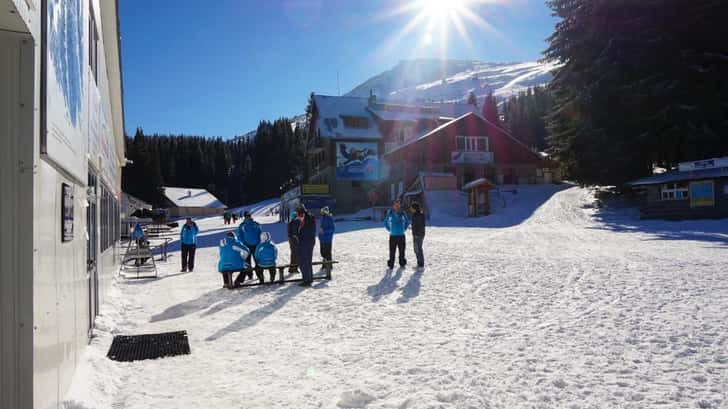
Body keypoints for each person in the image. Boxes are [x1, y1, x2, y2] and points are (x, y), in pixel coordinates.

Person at [294, 205, 316, 287]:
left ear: (303, 214)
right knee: (306, 261)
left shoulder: (308, 220)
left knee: (304, 261)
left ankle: (307, 280)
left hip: (306, 243)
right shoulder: (307, 219)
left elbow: (307, 233)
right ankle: (308, 278)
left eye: (299, 216)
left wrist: (298, 236)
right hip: (306, 243)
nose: (299, 218)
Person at [384, 199, 410, 269]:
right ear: (393, 206)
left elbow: (407, 222)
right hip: (393, 236)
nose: (397, 206)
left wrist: (403, 229)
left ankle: (402, 263)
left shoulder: (403, 213)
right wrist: (389, 229)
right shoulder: (390, 213)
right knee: (392, 251)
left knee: (402, 251)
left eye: (398, 204)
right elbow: (385, 222)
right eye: (395, 205)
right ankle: (391, 264)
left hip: (401, 236)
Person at [409, 202, 426, 268]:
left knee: (418, 249)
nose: (410, 209)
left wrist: (416, 233)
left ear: (414, 208)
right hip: (418, 234)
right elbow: (417, 225)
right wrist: (412, 227)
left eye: (411, 208)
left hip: (418, 235)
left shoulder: (418, 215)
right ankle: (419, 264)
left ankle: (420, 265)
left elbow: (420, 226)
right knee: (417, 249)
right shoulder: (417, 214)